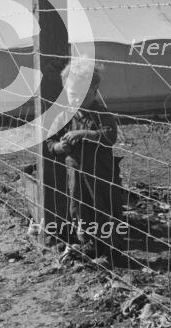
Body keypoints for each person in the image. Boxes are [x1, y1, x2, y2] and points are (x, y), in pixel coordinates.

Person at [45, 59, 126, 265]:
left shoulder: (101, 114)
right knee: (79, 208)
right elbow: (50, 142)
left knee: (104, 208)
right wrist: (59, 147)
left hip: (101, 175)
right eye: (71, 96)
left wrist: (85, 133)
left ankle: (110, 249)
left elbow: (109, 136)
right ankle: (88, 242)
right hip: (76, 176)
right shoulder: (65, 115)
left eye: (82, 96)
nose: (76, 100)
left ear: (95, 90)